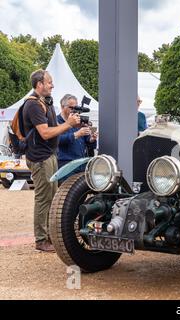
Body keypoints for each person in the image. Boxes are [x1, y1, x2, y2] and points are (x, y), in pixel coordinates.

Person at [23, 70, 80, 252]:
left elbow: (53, 129)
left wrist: (68, 125)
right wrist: (69, 125)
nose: (52, 85)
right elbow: (46, 133)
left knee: (52, 197)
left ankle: (48, 236)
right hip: (40, 158)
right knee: (43, 198)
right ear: (39, 84)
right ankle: (41, 240)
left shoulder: (45, 102)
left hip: (49, 156)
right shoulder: (33, 105)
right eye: (49, 82)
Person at [57, 94, 97, 178]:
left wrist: (92, 139)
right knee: (67, 190)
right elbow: (57, 140)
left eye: (76, 107)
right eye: (71, 107)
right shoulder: (56, 121)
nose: (74, 110)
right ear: (62, 107)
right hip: (66, 164)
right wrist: (76, 134)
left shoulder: (79, 120)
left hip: (81, 163)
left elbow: (88, 142)